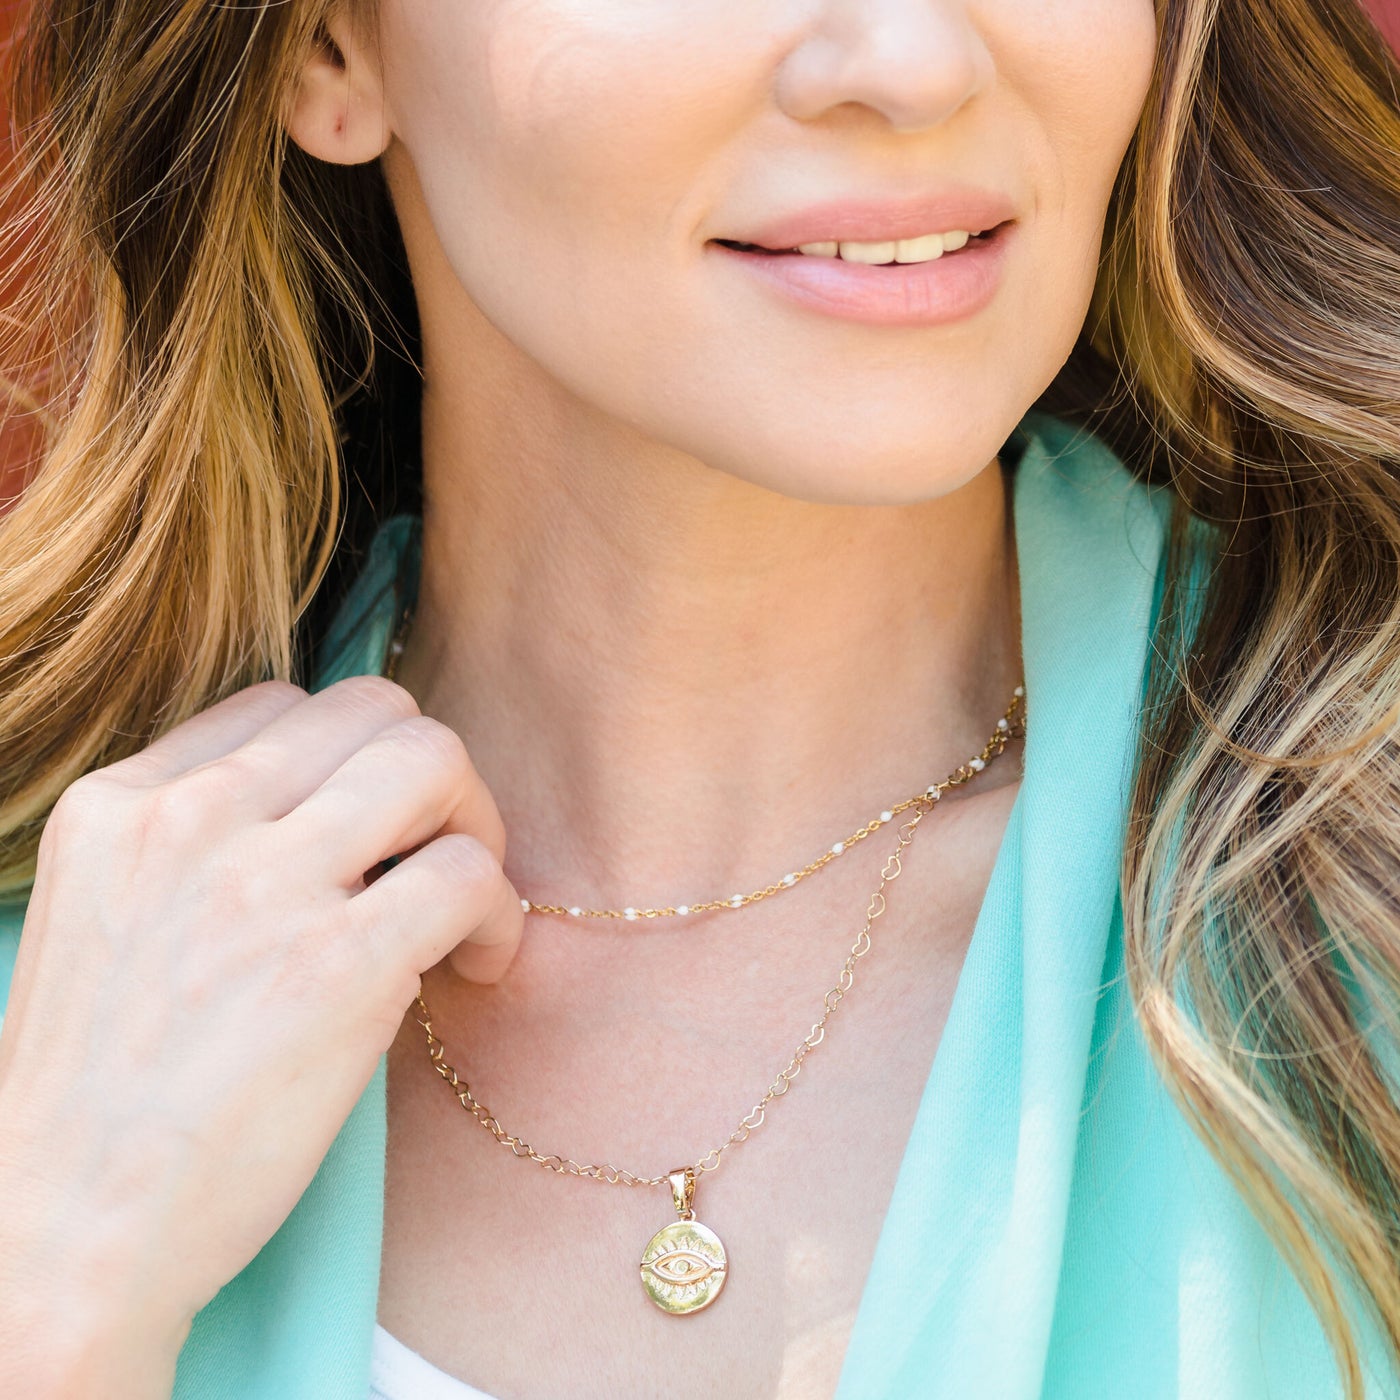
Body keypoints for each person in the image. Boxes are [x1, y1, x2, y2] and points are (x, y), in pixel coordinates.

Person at [0, 0, 1398, 1395]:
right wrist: (50, 1305)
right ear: (327, 48)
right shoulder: (62, 992)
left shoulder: (1368, 882)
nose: (915, 63)